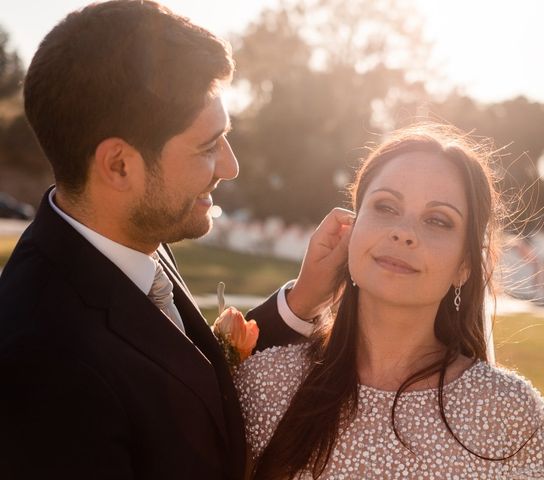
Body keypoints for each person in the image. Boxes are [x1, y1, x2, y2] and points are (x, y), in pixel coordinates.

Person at [0, 2, 350, 479]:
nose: (230, 167)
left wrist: (302, 299)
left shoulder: (132, 236)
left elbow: (186, 377)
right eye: (208, 146)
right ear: (119, 165)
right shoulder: (42, 363)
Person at [234, 125, 544, 479]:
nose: (404, 232)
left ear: (464, 266)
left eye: (438, 220)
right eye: (386, 207)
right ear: (352, 229)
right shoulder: (264, 383)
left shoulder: (510, 413)